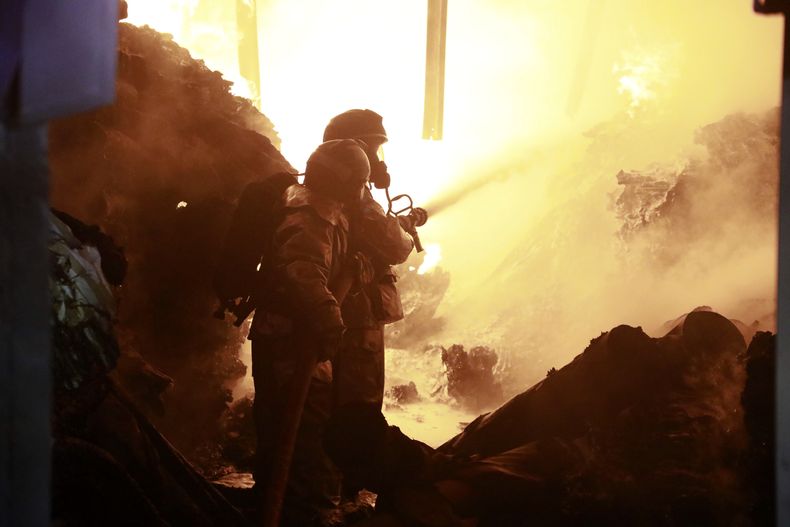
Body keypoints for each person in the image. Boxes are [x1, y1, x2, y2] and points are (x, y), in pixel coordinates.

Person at [249, 139, 371, 526]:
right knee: (308, 431)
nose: (360, 192)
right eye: (358, 183)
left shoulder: (317, 208)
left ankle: (275, 507)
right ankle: (307, 514)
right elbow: (303, 269)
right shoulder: (311, 215)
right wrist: (329, 317)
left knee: (282, 426)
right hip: (292, 342)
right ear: (341, 180)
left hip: (284, 336)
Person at [322, 109, 427, 495]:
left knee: (333, 404)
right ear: (357, 150)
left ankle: (330, 482)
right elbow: (393, 245)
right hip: (356, 317)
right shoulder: (358, 199)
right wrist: (403, 228)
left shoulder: (325, 192)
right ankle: (347, 489)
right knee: (359, 403)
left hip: (336, 314)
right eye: (375, 148)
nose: (380, 160)